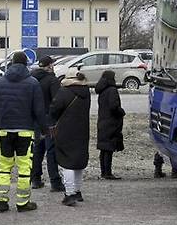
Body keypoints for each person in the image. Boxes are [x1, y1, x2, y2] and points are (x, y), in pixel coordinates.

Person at [0, 51, 47, 213]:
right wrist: (43, 130)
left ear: (11, 63)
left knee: (4, 166)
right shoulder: (32, 83)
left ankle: (1, 200)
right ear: (26, 64)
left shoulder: (0, 83)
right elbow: (39, 110)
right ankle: (23, 202)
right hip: (25, 131)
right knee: (24, 168)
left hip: (5, 130)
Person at [50, 68, 91, 206]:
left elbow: (54, 110)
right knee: (79, 162)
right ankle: (78, 191)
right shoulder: (86, 92)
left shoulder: (64, 92)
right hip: (83, 130)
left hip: (66, 131)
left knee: (67, 162)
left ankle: (69, 194)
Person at [30, 55, 63, 191]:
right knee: (51, 150)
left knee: (37, 150)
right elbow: (57, 101)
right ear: (49, 66)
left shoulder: (32, 79)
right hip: (50, 119)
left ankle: (35, 179)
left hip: (36, 119)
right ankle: (55, 182)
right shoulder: (52, 80)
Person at [95, 70, 125, 180]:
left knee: (104, 149)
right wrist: (121, 111)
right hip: (111, 123)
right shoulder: (112, 90)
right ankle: (108, 173)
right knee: (109, 149)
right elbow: (114, 107)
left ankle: (104, 172)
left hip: (102, 121)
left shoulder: (102, 90)